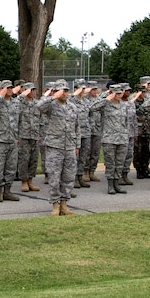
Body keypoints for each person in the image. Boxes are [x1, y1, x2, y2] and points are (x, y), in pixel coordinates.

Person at [35, 80, 80, 215]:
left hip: (70, 146)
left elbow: (77, 127)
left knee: (68, 177)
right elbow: (39, 106)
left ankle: (64, 204)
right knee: (54, 177)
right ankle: (55, 204)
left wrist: (77, 145)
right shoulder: (51, 105)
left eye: (66, 90)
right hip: (54, 146)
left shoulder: (72, 107)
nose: (65, 93)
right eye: (62, 91)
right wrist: (53, 96)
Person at [90, 84, 134, 195]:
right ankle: (110, 185)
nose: (119, 95)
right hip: (109, 139)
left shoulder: (124, 105)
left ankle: (117, 184)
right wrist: (107, 99)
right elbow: (92, 108)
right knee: (110, 163)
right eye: (117, 93)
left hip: (122, 138)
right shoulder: (105, 105)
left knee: (120, 163)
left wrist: (127, 134)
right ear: (111, 93)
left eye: (120, 93)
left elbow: (127, 122)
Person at [0, 80, 21, 202]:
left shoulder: (16, 103)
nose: (10, 90)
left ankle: (7, 191)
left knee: (11, 168)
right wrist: (0, 95)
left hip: (12, 140)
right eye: (7, 88)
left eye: (11, 88)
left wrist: (18, 137)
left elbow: (19, 120)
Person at [17, 82, 42, 192]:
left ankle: (30, 180)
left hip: (35, 136)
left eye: (33, 90)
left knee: (34, 159)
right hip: (23, 136)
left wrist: (40, 134)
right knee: (24, 159)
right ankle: (24, 181)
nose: (32, 92)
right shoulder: (19, 103)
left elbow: (41, 120)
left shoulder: (37, 104)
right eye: (30, 90)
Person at [69, 79, 91, 189]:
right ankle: (73, 179)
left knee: (83, 157)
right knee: (74, 157)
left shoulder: (86, 101)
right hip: (75, 133)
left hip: (86, 132)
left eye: (84, 88)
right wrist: (74, 94)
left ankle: (80, 176)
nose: (83, 90)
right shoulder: (71, 100)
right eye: (81, 88)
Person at [133, 84, 150, 179]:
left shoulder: (147, 102)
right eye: (142, 92)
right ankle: (139, 170)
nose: (144, 94)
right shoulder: (133, 103)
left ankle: (145, 169)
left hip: (147, 129)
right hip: (138, 130)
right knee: (138, 152)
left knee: (146, 151)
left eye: (144, 92)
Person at [119, 83, 137, 185]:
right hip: (121, 135)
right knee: (121, 156)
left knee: (129, 155)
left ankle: (125, 174)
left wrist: (135, 133)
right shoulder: (118, 103)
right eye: (126, 91)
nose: (128, 92)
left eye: (129, 91)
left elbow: (134, 119)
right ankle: (119, 175)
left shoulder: (131, 103)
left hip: (130, 134)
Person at [85, 81, 102, 182]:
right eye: (92, 89)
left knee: (95, 152)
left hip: (97, 129)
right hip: (87, 130)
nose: (94, 91)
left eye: (96, 89)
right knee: (87, 152)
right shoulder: (84, 100)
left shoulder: (99, 100)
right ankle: (85, 172)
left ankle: (92, 172)